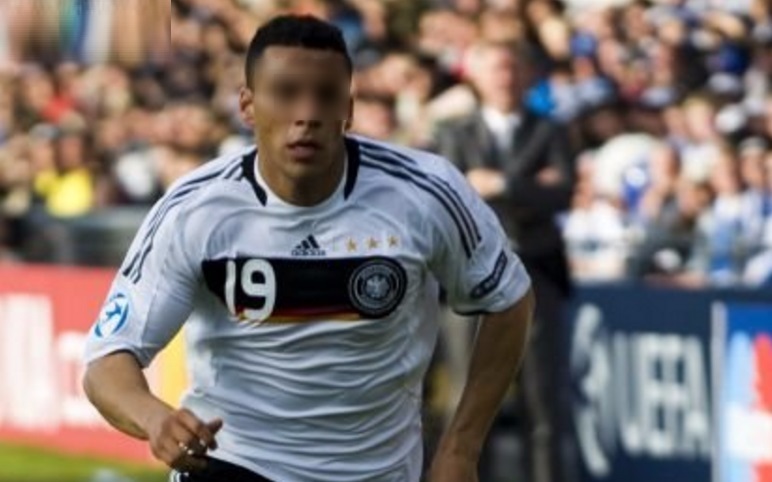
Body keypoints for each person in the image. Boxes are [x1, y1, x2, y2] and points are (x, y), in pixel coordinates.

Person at [82, 15, 534, 482]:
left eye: (326, 95)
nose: (307, 114)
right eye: (286, 93)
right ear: (247, 106)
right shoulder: (195, 209)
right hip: (231, 461)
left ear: (348, 109)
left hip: (374, 472)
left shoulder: (424, 192)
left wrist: (461, 447)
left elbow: (509, 299)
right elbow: (108, 359)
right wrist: (154, 418)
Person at [433, 40, 575, 482]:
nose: (505, 78)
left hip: (536, 275)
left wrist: (505, 184)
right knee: (467, 404)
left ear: (529, 75)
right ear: (475, 76)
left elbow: (562, 193)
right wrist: (529, 186)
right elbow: (447, 197)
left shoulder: (550, 130)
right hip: (468, 281)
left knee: (541, 400)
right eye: (496, 68)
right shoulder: (453, 132)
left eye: (514, 68)